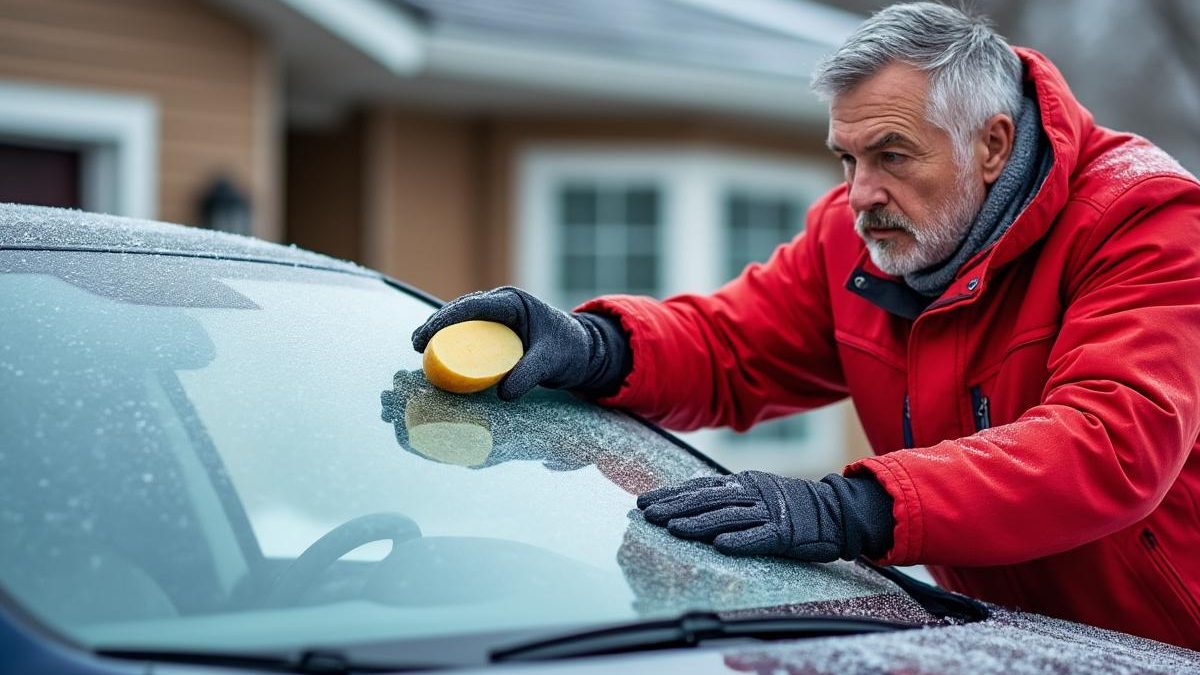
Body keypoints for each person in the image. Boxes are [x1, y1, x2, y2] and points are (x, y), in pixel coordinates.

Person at [410, 2, 1200, 649]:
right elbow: (730, 348)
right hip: (1006, 642)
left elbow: (1110, 442)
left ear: (991, 144)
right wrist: (590, 346)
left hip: (1167, 644)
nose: (859, 192)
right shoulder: (855, 239)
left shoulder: (1143, 223)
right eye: (846, 158)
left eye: (892, 155)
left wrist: (849, 509)